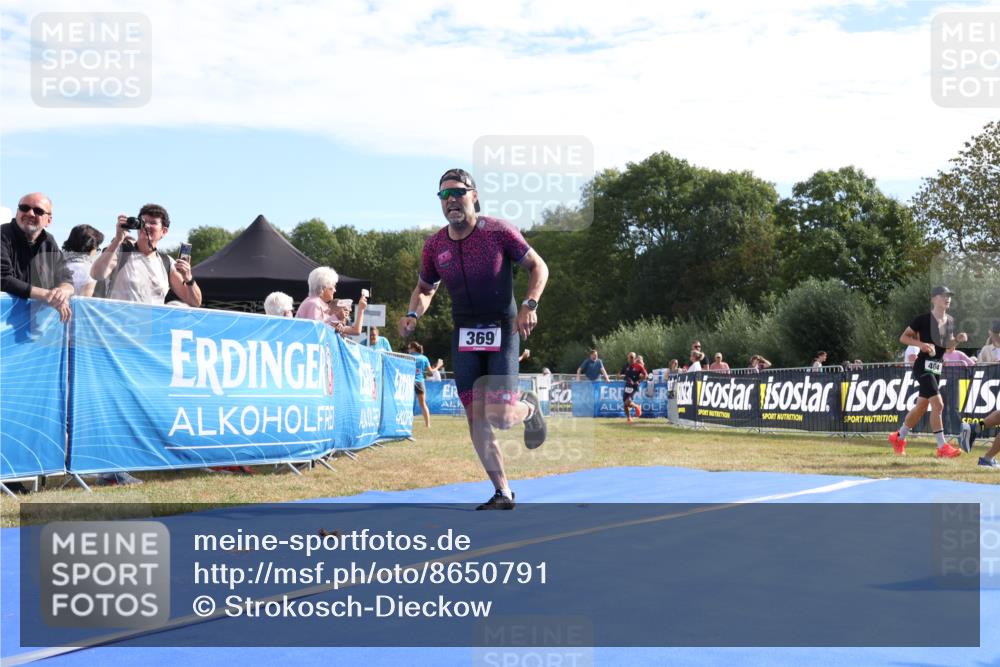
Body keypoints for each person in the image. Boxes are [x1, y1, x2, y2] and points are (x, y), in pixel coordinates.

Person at [398, 168, 549, 510]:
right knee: (474, 417)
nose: (451, 200)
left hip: (503, 327)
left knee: (501, 416)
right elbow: (424, 288)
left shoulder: (498, 232)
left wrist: (529, 304)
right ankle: (503, 492)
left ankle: (528, 408)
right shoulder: (435, 245)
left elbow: (539, 267)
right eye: (443, 195)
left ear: (474, 195)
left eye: (458, 193)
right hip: (465, 334)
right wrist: (413, 314)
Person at [888, 286, 968, 458]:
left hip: (936, 366)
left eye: (949, 296)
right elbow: (903, 337)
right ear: (934, 299)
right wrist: (921, 345)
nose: (947, 298)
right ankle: (942, 447)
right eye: (943, 295)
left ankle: (899, 437)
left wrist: (957, 340)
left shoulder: (950, 321)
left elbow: (947, 348)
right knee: (938, 405)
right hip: (922, 365)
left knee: (921, 407)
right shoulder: (922, 319)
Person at [91, 204, 201, 307]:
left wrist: (188, 278)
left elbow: (195, 302)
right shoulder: (121, 252)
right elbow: (96, 274)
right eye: (143, 222)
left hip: (151, 326)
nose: (146, 226)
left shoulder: (167, 262)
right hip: (120, 325)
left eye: (153, 223)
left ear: (164, 231)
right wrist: (117, 240)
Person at [1, 192, 74, 321]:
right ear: (17, 212)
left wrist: (62, 293)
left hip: (34, 329)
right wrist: (47, 296)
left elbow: (66, 279)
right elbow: (3, 279)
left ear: (49, 220)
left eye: (38, 211)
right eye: (24, 208)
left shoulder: (49, 242)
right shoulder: (2, 235)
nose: (30, 213)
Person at [62, 224, 105, 297]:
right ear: (92, 249)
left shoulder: (56, 266)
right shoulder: (91, 272)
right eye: (97, 249)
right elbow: (83, 304)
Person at [407, 341, 432, 428]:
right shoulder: (424, 358)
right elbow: (431, 373)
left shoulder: (408, 357)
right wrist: (438, 366)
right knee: (423, 404)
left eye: (409, 348)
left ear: (413, 349)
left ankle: (407, 424)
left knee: (407, 404)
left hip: (409, 381)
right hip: (419, 382)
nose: (408, 350)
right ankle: (427, 425)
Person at [620, 351, 647, 423]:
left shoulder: (638, 366)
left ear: (635, 358)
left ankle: (636, 406)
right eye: (630, 357)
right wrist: (626, 378)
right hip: (627, 386)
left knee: (627, 402)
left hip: (634, 386)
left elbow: (645, 375)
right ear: (627, 358)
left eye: (632, 357)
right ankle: (629, 418)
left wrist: (638, 381)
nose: (631, 359)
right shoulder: (625, 366)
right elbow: (619, 375)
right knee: (625, 404)